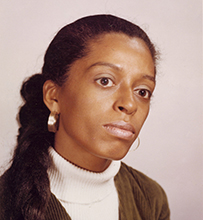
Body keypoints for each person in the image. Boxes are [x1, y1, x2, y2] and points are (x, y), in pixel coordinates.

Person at [0, 14, 170, 220]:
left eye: (142, 91)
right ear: (53, 97)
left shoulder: (150, 198)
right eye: (105, 81)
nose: (130, 104)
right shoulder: (5, 203)